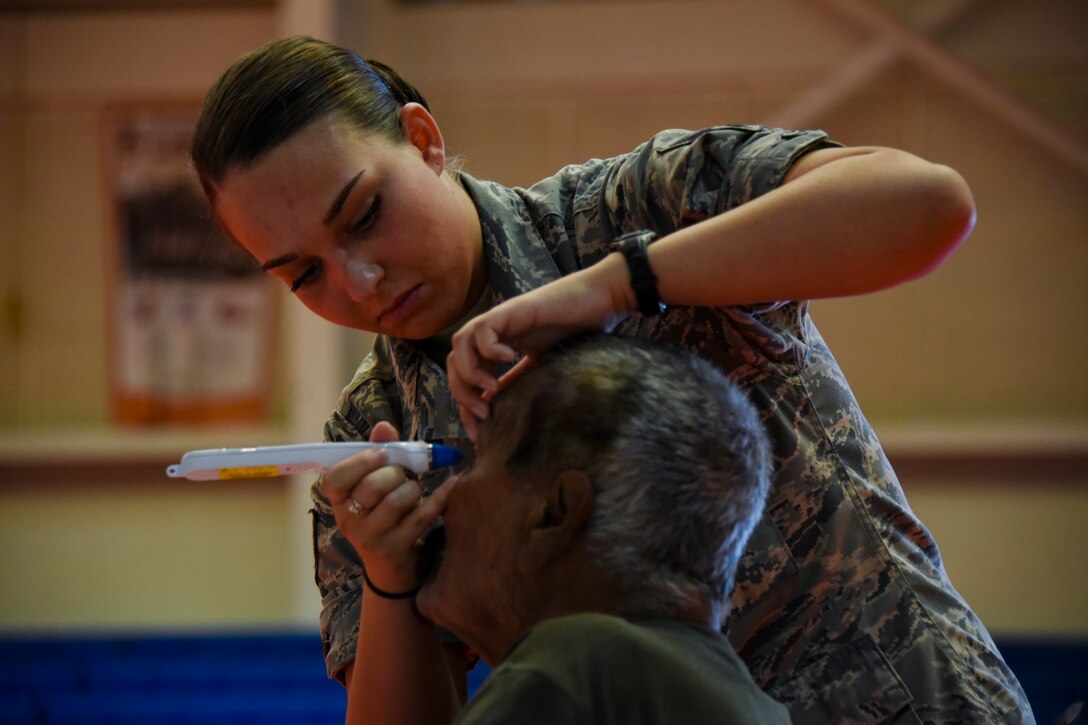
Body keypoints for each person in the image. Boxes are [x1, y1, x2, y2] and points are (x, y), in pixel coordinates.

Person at [190, 36, 1034, 724]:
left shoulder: (628, 209)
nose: (359, 282)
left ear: (422, 140)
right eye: (304, 276)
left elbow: (929, 206)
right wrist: (387, 573)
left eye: (365, 213)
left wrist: (618, 283)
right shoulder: (370, 434)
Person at [405, 333, 789, 724]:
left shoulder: (566, 673)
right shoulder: (759, 708)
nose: (446, 496)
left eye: (477, 458)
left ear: (555, 512)